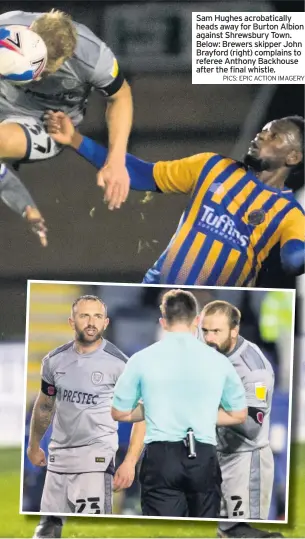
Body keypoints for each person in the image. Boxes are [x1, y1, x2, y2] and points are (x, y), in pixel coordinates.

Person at [45, 111, 305, 287]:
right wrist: (75, 139)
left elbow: (293, 261)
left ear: (293, 158)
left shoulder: (290, 214)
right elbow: (141, 174)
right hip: (158, 292)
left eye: (275, 137)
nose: (261, 136)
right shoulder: (211, 166)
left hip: (212, 315)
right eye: (263, 131)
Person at [0, 9, 133, 245]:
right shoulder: (7, 26)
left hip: (46, 123)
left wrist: (116, 160)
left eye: (46, 72)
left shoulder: (93, 58)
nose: (38, 79)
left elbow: (121, 97)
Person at [111, 289, 248, 518]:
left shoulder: (141, 359)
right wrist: (199, 414)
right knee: (203, 532)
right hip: (203, 455)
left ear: (163, 322)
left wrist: (158, 409)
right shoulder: (219, 362)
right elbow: (238, 414)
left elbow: (119, 412)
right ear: (197, 321)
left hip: (160, 457)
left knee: (163, 532)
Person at [27, 295, 139, 537]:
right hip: (60, 455)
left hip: (97, 455)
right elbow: (45, 405)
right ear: (71, 321)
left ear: (106, 322)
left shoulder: (121, 364)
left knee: (90, 527)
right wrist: (34, 445)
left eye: (97, 316)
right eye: (84, 316)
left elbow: (142, 414)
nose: (91, 322)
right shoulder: (54, 361)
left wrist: (129, 462)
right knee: (47, 528)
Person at [200, 300, 283, 538]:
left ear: (234, 331)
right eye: (205, 330)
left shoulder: (254, 370)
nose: (208, 337)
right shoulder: (209, 350)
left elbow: (251, 426)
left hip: (247, 463)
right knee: (224, 532)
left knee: (240, 532)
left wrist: (202, 413)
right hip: (220, 457)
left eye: (216, 331)